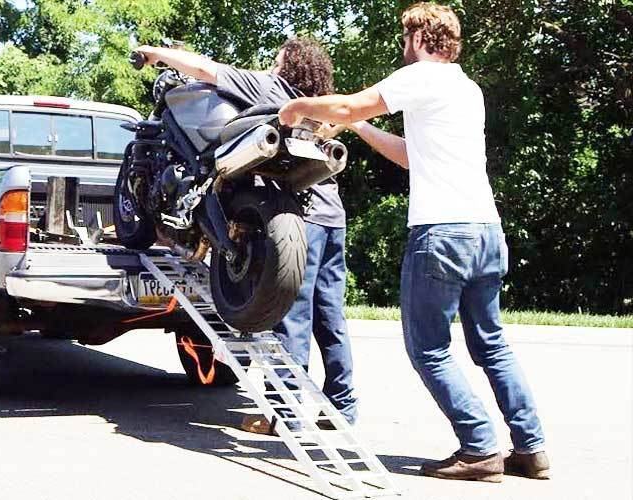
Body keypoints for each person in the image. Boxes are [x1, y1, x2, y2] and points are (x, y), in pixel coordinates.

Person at [276, 2, 549, 482]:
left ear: (421, 39)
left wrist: (298, 108)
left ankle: (480, 446)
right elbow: (409, 156)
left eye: (406, 39)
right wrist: (360, 129)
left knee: (429, 349)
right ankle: (530, 448)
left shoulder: (421, 76)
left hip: (442, 234)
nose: (403, 48)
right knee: (491, 344)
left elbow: (345, 104)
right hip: (485, 231)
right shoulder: (467, 89)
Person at [134, 38, 358, 433]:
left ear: (290, 66)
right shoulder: (321, 107)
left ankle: (282, 414)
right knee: (331, 318)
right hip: (332, 215)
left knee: (289, 315)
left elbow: (206, 69)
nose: (272, 65)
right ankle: (342, 408)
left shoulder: (273, 91)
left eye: (278, 59)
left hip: (299, 218)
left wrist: (158, 55)